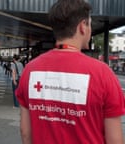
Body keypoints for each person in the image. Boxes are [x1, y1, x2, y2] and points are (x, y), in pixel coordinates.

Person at [15, 0, 125, 144]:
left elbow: (25, 132)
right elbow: (114, 140)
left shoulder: (30, 70)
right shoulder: (103, 73)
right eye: (90, 24)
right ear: (82, 27)